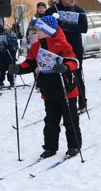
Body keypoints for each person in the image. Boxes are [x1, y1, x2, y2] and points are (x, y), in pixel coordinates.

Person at [8, 15, 81, 158]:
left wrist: (64, 66)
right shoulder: (36, 47)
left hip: (66, 89)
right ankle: (50, 147)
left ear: (49, 30)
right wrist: (18, 68)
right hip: (48, 89)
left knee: (70, 120)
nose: (37, 32)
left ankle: (74, 146)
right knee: (50, 121)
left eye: (39, 30)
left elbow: (74, 62)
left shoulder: (63, 45)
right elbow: (30, 63)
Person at [45, 0, 89, 112]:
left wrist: (65, 24)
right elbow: (44, 27)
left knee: (76, 74)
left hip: (75, 47)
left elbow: (84, 28)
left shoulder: (79, 10)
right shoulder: (53, 10)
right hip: (57, 47)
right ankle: (63, 101)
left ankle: (82, 101)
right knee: (60, 74)